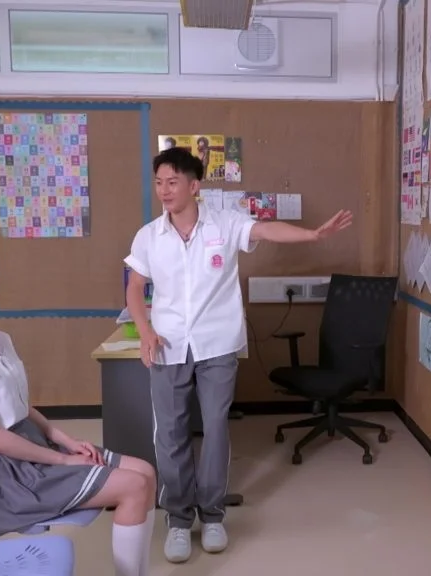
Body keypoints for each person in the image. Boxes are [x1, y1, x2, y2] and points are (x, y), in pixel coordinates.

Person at [124, 147, 353, 563]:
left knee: (215, 428)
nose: (164, 190)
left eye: (173, 182)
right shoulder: (148, 236)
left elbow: (266, 230)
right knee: (171, 433)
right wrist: (145, 331)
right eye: (158, 182)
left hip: (217, 343)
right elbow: (135, 288)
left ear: (194, 185)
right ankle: (178, 519)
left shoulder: (224, 223)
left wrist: (313, 236)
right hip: (168, 345)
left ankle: (212, 515)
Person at [0, 241, 157, 576]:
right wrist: (64, 459)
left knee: (145, 471)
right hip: (2, 474)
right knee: (134, 485)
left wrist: (66, 440)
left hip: (30, 445)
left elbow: (20, 406)